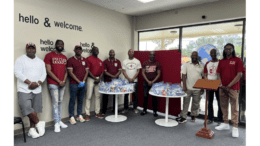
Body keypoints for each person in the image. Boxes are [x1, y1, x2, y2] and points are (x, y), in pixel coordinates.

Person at [14, 43, 46, 138]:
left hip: (37, 89)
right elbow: (17, 73)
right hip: (24, 89)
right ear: (26, 49)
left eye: (33, 48)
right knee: (26, 107)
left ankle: (32, 130)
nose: (31, 50)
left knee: (35, 110)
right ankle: (39, 123)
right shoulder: (20, 60)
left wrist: (38, 83)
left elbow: (43, 74)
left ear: (35, 50)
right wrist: (30, 83)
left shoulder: (40, 62)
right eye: (29, 49)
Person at [215, 43, 244, 138]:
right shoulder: (221, 61)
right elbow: (218, 73)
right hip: (222, 88)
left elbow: (239, 74)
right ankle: (225, 123)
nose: (228, 50)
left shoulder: (237, 60)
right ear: (224, 50)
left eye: (229, 49)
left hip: (233, 88)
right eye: (226, 49)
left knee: (234, 108)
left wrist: (229, 85)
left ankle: (235, 127)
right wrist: (220, 83)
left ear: (232, 50)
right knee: (223, 106)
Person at [44, 40, 68, 132]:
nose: (60, 45)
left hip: (62, 83)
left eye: (62, 44)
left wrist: (64, 81)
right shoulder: (49, 55)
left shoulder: (64, 57)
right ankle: (56, 123)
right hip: (53, 83)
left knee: (60, 102)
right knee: (55, 103)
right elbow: (48, 71)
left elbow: (66, 71)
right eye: (59, 44)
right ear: (55, 45)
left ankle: (59, 120)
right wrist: (59, 81)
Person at [177, 51, 204, 123]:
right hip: (188, 87)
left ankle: (193, 116)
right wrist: (184, 87)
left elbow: (203, 76)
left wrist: (202, 88)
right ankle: (183, 117)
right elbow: (183, 75)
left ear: (198, 57)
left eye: (196, 55)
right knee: (186, 103)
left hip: (198, 88)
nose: (194, 57)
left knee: (196, 103)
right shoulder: (186, 64)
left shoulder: (201, 66)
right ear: (191, 56)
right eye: (193, 55)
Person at [67, 45, 89, 124]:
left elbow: (87, 72)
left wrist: (83, 81)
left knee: (80, 100)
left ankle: (79, 115)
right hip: (74, 84)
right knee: (72, 100)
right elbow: (70, 73)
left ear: (81, 51)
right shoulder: (70, 60)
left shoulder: (85, 60)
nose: (79, 51)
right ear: (74, 50)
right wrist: (79, 81)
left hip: (83, 83)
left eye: (80, 49)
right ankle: (71, 116)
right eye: (77, 49)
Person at [204, 49, 223, 125]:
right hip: (209, 84)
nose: (213, 54)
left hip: (218, 85)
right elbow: (205, 74)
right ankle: (210, 118)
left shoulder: (220, 62)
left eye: (215, 53)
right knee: (210, 102)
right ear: (210, 54)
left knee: (220, 103)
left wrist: (220, 83)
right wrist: (206, 82)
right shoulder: (207, 63)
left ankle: (219, 120)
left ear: (217, 53)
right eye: (212, 53)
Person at [85, 46, 104, 121]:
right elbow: (88, 70)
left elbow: (102, 71)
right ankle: (87, 114)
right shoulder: (88, 59)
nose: (96, 51)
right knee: (88, 96)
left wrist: (99, 78)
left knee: (97, 96)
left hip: (98, 79)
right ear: (92, 51)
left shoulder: (100, 61)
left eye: (97, 50)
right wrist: (94, 78)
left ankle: (97, 112)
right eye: (94, 50)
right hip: (90, 79)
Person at [140, 51, 161, 117]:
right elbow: (143, 73)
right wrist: (148, 81)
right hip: (146, 83)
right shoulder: (145, 63)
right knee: (145, 96)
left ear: (154, 56)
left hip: (154, 84)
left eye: (153, 55)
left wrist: (152, 81)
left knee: (154, 98)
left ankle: (155, 111)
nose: (152, 56)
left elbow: (159, 74)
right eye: (151, 55)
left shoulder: (157, 63)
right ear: (149, 55)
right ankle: (144, 110)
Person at [102, 49, 122, 115]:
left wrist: (115, 76)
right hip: (107, 81)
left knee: (115, 95)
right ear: (109, 54)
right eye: (111, 52)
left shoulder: (118, 61)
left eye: (113, 52)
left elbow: (119, 70)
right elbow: (104, 71)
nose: (112, 53)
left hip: (116, 82)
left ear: (114, 54)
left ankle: (115, 109)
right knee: (105, 96)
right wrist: (112, 76)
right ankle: (103, 111)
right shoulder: (105, 61)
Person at [122, 49, 142, 114]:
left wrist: (133, 78)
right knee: (126, 95)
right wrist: (128, 78)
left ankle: (135, 108)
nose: (131, 53)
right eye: (130, 52)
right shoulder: (124, 61)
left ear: (133, 53)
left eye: (132, 52)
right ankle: (125, 108)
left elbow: (138, 71)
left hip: (135, 81)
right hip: (126, 81)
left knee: (135, 94)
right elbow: (123, 71)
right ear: (128, 53)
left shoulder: (137, 61)